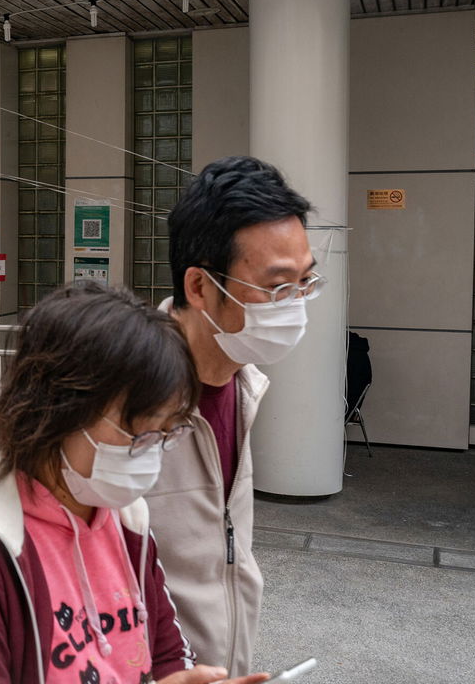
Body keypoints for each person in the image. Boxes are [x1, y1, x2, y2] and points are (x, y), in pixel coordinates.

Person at [0, 281, 269, 684]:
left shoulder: (127, 518)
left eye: (168, 433)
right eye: (139, 433)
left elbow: (166, 652)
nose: (154, 453)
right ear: (58, 409)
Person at [145, 156, 320, 675]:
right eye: (278, 286)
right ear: (199, 288)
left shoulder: (245, 385)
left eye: (306, 282)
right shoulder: (118, 399)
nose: (296, 306)